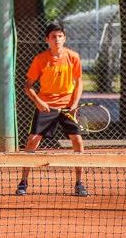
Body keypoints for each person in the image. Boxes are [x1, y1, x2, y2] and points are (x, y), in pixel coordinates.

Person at [15, 22, 88, 197]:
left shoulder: (73, 57)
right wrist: (38, 101)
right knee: (33, 140)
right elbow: (28, 86)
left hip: (67, 107)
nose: (57, 39)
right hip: (47, 107)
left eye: (60, 36)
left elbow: (79, 83)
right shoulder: (40, 59)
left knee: (77, 141)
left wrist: (74, 103)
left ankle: (79, 183)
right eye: (53, 37)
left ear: (65, 38)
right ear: (47, 39)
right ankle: (23, 182)